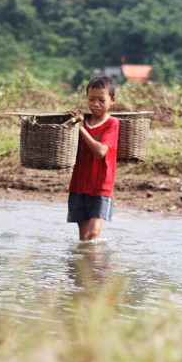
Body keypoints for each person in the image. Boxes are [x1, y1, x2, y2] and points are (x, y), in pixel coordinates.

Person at [67, 76, 120, 241]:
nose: (95, 104)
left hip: (100, 188)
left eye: (101, 100)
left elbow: (100, 151)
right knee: (84, 239)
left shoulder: (112, 123)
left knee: (94, 234)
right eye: (91, 99)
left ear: (112, 100)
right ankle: (87, 267)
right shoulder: (83, 121)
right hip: (79, 185)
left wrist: (81, 129)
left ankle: (97, 265)